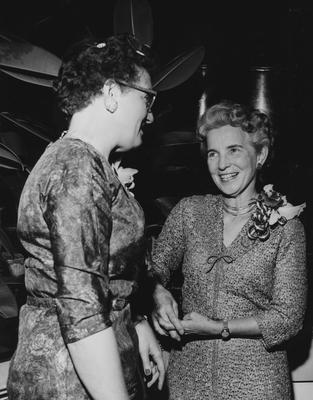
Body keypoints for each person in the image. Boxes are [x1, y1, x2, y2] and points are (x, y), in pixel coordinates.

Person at [7, 33, 164, 400]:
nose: (151, 114)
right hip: (70, 380)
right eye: (147, 98)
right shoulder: (77, 166)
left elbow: (100, 277)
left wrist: (136, 323)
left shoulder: (81, 162)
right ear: (111, 93)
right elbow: (81, 310)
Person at [150, 101, 307, 400]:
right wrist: (157, 292)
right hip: (188, 382)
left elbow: (288, 318)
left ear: (259, 154)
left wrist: (217, 327)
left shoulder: (285, 226)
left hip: (256, 383)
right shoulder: (190, 212)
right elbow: (154, 268)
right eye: (213, 153)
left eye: (233, 150)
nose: (222, 164)